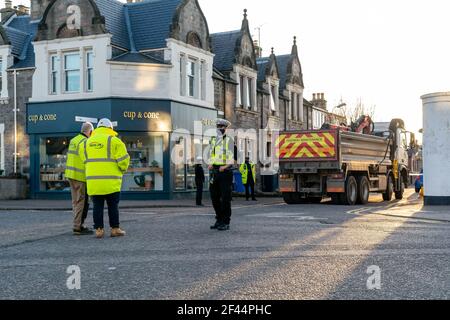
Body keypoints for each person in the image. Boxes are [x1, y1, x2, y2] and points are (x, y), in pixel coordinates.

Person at [79, 118, 130, 239]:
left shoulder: (85, 143)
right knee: (113, 205)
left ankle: (99, 230)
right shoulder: (115, 141)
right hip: (111, 182)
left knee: (97, 206)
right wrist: (122, 170)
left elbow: (84, 160)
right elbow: (124, 161)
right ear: (110, 128)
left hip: (93, 182)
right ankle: (115, 229)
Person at [65, 122, 94, 235]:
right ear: (90, 132)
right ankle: (78, 226)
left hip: (70, 175)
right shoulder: (85, 142)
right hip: (80, 177)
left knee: (75, 202)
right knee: (82, 201)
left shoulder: (73, 140)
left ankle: (78, 223)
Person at [208, 119, 236, 231]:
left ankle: (225, 221)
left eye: (221, 127)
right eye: (218, 126)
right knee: (214, 198)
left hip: (225, 172)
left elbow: (234, 158)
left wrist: (224, 166)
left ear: (225, 128)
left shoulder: (229, 141)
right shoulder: (213, 140)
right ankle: (218, 219)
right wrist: (210, 163)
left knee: (225, 198)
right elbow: (212, 154)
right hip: (214, 172)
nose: (219, 128)